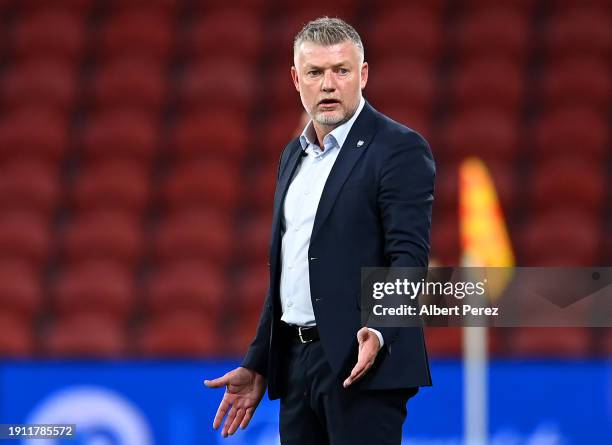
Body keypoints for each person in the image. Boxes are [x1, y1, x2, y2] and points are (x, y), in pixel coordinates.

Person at [205, 17, 435, 444]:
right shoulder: (293, 156)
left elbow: (409, 259)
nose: (329, 84)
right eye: (315, 72)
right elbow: (288, 272)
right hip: (295, 366)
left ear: (362, 75)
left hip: (362, 363)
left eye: (341, 71)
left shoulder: (399, 149)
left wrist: (381, 330)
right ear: (296, 79)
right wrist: (259, 362)